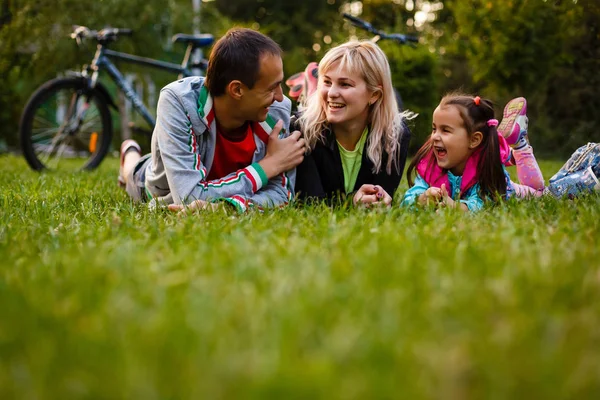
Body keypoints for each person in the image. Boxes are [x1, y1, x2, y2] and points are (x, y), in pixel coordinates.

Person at [118, 28, 306, 213]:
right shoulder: (178, 102)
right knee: (132, 173)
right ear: (237, 90)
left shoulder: (276, 110)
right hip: (160, 179)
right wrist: (267, 167)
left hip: (186, 160)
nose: (281, 97)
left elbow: (281, 195)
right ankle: (130, 152)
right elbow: (188, 196)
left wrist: (227, 207)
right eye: (272, 88)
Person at [401, 94, 600, 211]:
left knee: (547, 194)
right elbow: (408, 199)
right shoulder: (431, 168)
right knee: (543, 189)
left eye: (445, 130)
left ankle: (521, 145)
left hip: (520, 194)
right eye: (434, 128)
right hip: (525, 185)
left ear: (474, 140)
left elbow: (481, 204)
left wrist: (455, 207)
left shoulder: (484, 168)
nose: (435, 136)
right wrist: (422, 198)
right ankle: (520, 143)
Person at [293, 41, 414, 207]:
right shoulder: (302, 130)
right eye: (327, 82)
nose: (332, 93)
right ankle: (306, 91)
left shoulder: (395, 137)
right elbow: (310, 202)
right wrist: (351, 201)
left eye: (345, 84)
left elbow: (382, 197)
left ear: (374, 95)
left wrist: (375, 200)